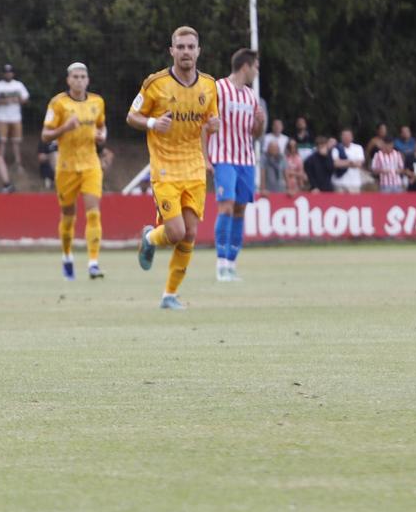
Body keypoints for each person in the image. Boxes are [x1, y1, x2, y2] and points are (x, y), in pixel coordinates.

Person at [128, 26, 220, 310]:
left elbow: (208, 124)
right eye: (180, 47)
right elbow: (132, 116)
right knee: (177, 232)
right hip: (165, 167)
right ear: (172, 51)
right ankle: (149, 237)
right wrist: (153, 123)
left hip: (194, 168)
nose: (186, 52)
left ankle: (170, 295)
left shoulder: (209, 85)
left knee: (190, 233)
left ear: (198, 51)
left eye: (191, 47)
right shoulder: (155, 83)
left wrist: (211, 137)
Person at [42, 61, 108, 280]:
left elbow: (101, 125)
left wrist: (103, 135)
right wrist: (64, 128)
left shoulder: (97, 101)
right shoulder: (58, 104)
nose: (79, 80)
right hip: (66, 167)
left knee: (93, 211)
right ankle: (67, 255)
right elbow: (45, 135)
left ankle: (93, 263)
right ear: (68, 80)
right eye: (75, 77)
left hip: (91, 164)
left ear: (88, 80)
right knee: (68, 215)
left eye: (83, 77)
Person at [207, 49, 263, 283]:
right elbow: (205, 122)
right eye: (256, 67)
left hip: (246, 159)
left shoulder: (251, 96)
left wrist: (260, 124)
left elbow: (255, 135)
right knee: (226, 207)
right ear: (245, 67)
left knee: (240, 209)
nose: (257, 71)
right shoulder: (218, 89)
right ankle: (220, 264)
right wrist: (204, 156)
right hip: (223, 157)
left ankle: (231, 262)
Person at [0, 64, 31, 174]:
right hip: (1, 117)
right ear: (3, 74)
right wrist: (3, 102)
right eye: (6, 72)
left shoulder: (18, 85)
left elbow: (25, 98)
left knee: (16, 142)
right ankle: (0, 164)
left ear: (13, 73)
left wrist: (18, 100)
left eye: (10, 72)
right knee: (2, 141)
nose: (8, 74)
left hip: (15, 117)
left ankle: (17, 164)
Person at [331, 129, 367, 194]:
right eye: (344, 136)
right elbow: (336, 164)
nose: (346, 138)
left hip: (354, 183)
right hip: (339, 183)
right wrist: (351, 162)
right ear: (341, 137)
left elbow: (359, 164)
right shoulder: (336, 148)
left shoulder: (358, 148)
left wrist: (343, 162)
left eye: (348, 136)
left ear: (352, 137)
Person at [261, 120, 291, 193]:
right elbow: (263, 173)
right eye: (271, 148)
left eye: (275, 148)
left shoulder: (282, 158)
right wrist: (262, 188)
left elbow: (286, 173)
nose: (273, 150)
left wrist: (289, 188)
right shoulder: (264, 159)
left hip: (281, 187)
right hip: (268, 188)